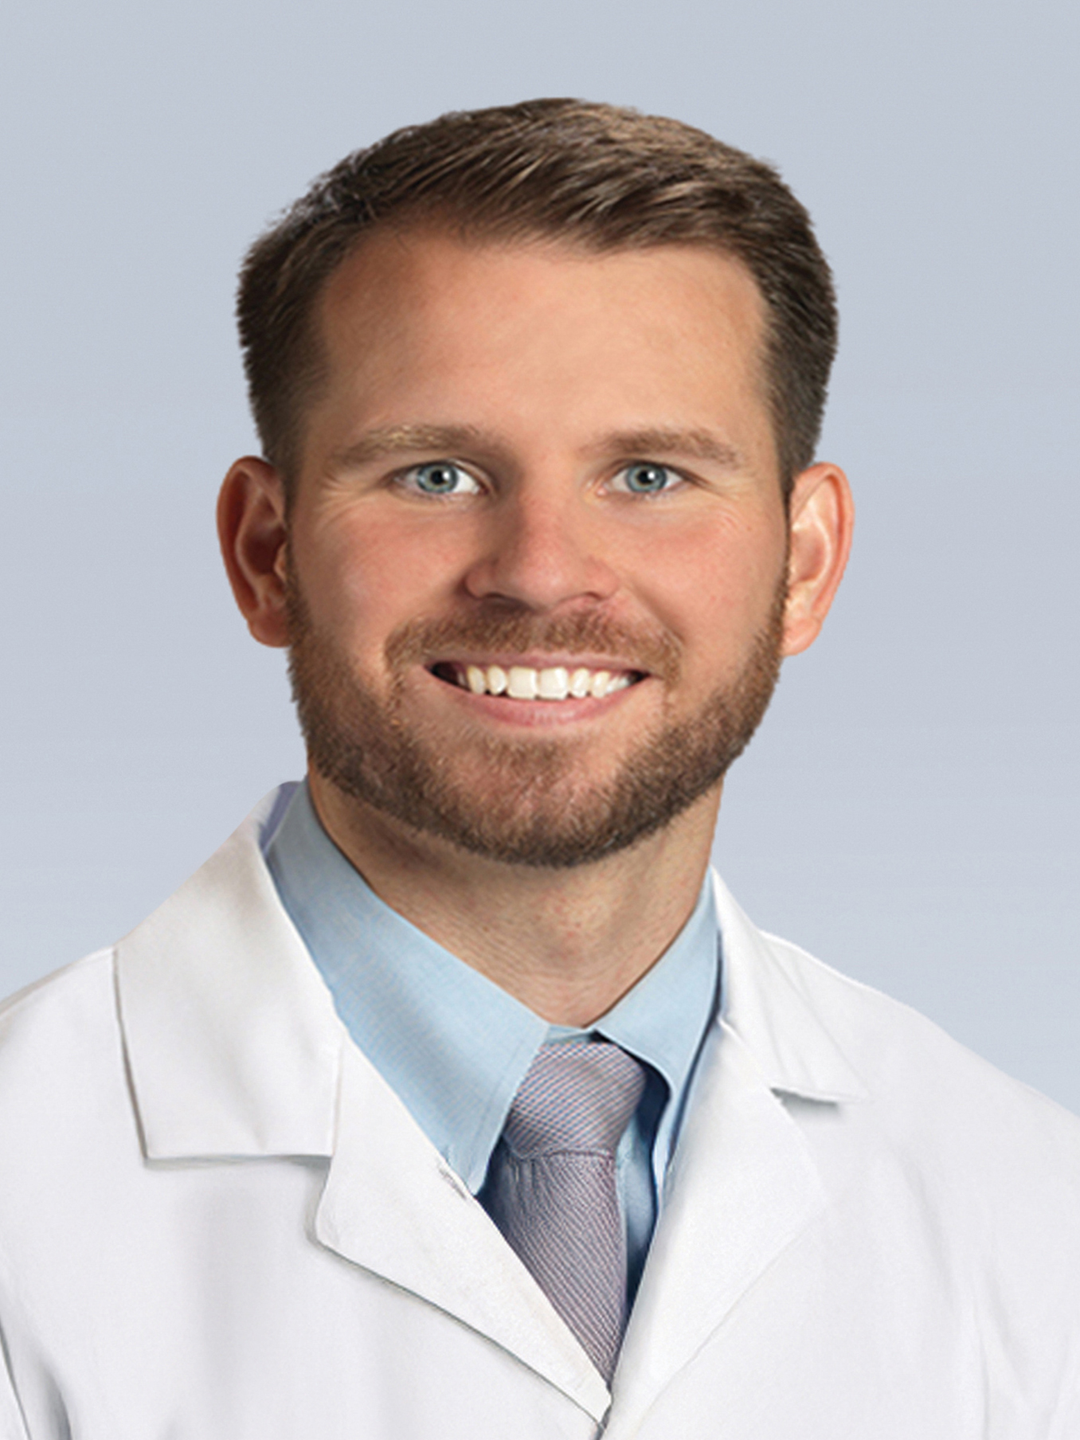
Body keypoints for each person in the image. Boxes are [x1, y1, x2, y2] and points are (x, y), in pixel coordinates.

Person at [0, 99, 1077, 1440]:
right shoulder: (24, 1196)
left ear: (804, 564)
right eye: (437, 475)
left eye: (650, 474)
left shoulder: (1029, 1213)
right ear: (266, 553)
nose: (542, 573)